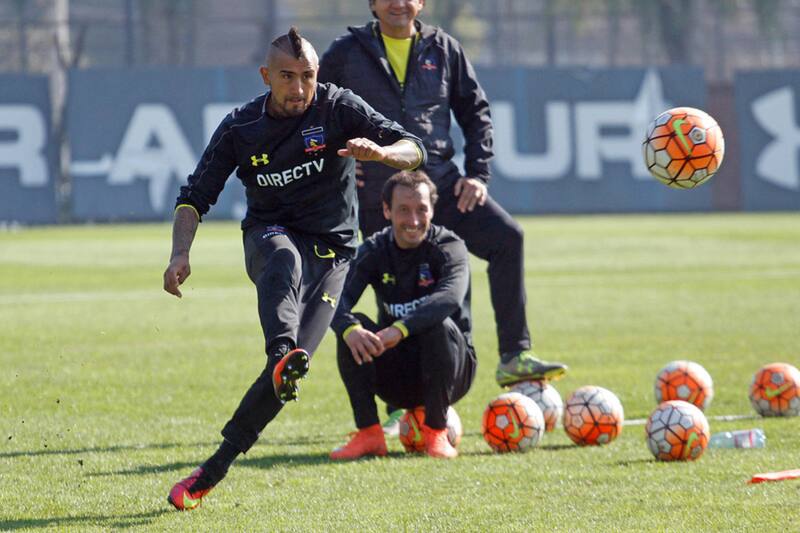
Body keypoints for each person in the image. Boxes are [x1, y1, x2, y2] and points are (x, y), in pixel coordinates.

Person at [162, 27, 426, 511]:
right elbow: (193, 197)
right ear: (266, 76)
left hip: (334, 253)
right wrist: (180, 253)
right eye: (287, 76)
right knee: (283, 261)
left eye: (307, 76)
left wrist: (385, 154)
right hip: (270, 237)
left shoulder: (339, 108)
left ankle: (210, 471)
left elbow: (414, 146)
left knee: (286, 379)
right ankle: (282, 349)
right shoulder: (241, 128)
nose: (299, 87)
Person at [318, 0, 567, 406]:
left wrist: (478, 174)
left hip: (444, 185)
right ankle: (408, 401)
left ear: (421, 3)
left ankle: (514, 355)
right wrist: (338, 164)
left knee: (507, 237)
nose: (398, 3)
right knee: (399, 289)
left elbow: (476, 112)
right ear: (372, 4)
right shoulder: (346, 52)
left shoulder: (444, 48)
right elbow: (315, 113)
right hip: (383, 195)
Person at [329, 170, 476, 460]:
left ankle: (436, 433)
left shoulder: (450, 247)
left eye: (422, 210)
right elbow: (333, 299)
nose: (414, 220)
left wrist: (399, 329)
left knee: (438, 324)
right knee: (353, 329)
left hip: (454, 370)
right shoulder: (374, 250)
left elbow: (448, 297)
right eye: (403, 211)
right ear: (386, 211)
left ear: (432, 209)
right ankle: (370, 434)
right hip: (397, 377)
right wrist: (349, 329)